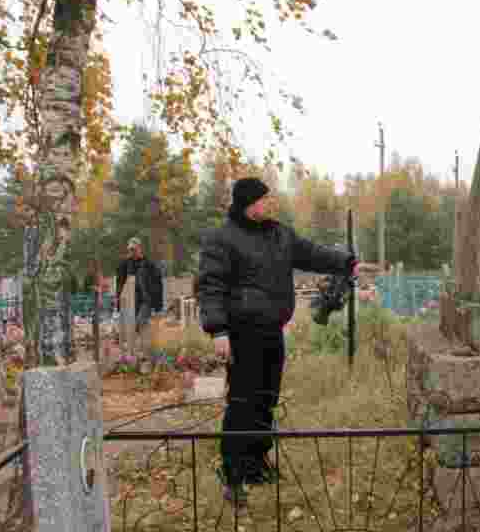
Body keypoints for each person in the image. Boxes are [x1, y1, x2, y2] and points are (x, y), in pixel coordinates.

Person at [197, 177, 372, 506]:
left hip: (272, 331)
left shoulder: (279, 235)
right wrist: (218, 331)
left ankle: (256, 464)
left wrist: (346, 262)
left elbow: (311, 253)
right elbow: (210, 286)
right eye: (264, 199)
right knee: (243, 402)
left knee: (266, 399)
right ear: (249, 203)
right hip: (241, 333)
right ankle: (233, 472)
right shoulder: (222, 239)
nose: (269, 203)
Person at [116, 237, 164, 334]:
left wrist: (158, 306)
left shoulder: (150, 265)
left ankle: (137, 343)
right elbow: (120, 284)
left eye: (134, 249)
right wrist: (119, 303)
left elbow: (158, 285)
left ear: (140, 249)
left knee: (139, 323)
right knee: (129, 327)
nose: (132, 252)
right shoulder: (124, 265)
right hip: (130, 301)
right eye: (130, 250)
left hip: (145, 301)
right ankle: (136, 345)